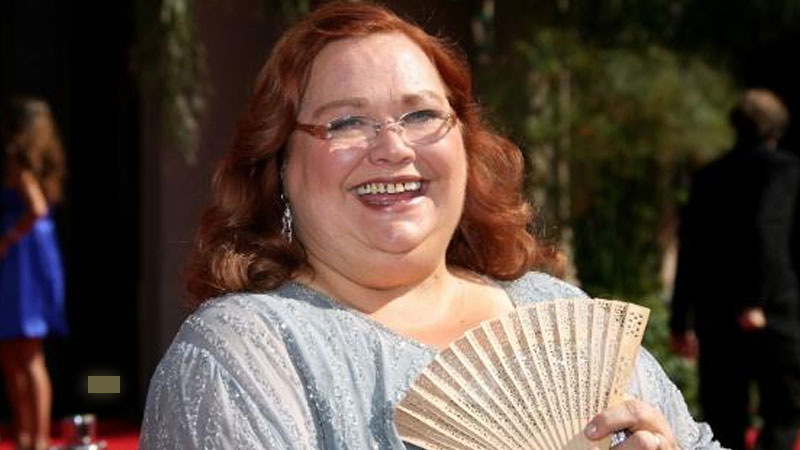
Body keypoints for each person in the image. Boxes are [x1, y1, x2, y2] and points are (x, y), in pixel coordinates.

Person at [141, 3, 723, 449]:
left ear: (465, 145)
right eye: (346, 122)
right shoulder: (243, 355)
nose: (393, 147)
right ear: (280, 167)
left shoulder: (559, 313)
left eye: (421, 114)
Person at [671, 89, 800, 450]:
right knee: (782, 411)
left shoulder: (708, 176)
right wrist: (755, 300)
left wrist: (680, 321)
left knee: (724, 418)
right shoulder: (784, 170)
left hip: (716, 316)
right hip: (771, 313)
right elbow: (767, 228)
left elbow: (689, 249)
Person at [0, 97, 68, 450]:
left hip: (21, 263)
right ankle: (29, 436)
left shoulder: (20, 163)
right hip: (31, 258)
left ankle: (36, 438)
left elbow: (37, 208)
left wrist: (8, 239)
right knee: (19, 353)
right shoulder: (43, 161)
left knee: (24, 354)